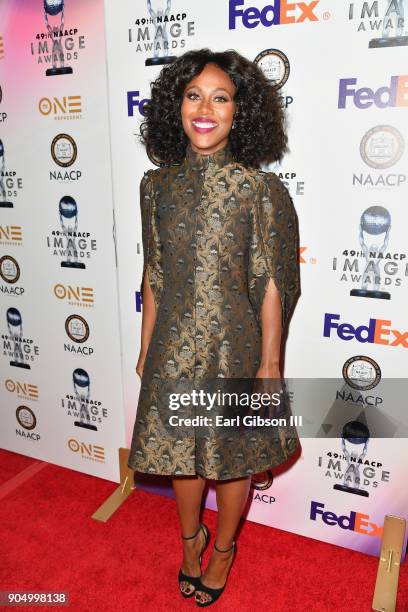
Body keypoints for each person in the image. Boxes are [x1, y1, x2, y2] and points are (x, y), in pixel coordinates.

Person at [127, 48, 301, 607]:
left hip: (235, 346)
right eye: (193, 95)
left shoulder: (261, 190)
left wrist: (270, 364)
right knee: (181, 453)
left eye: (220, 98)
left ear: (239, 112)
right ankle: (189, 540)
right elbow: (153, 269)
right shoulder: (155, 186)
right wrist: (146, 344)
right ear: (175, 106)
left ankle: (222, 549)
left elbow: (273, 282)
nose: (205, 109)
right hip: (173, 343)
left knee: (228, 460)